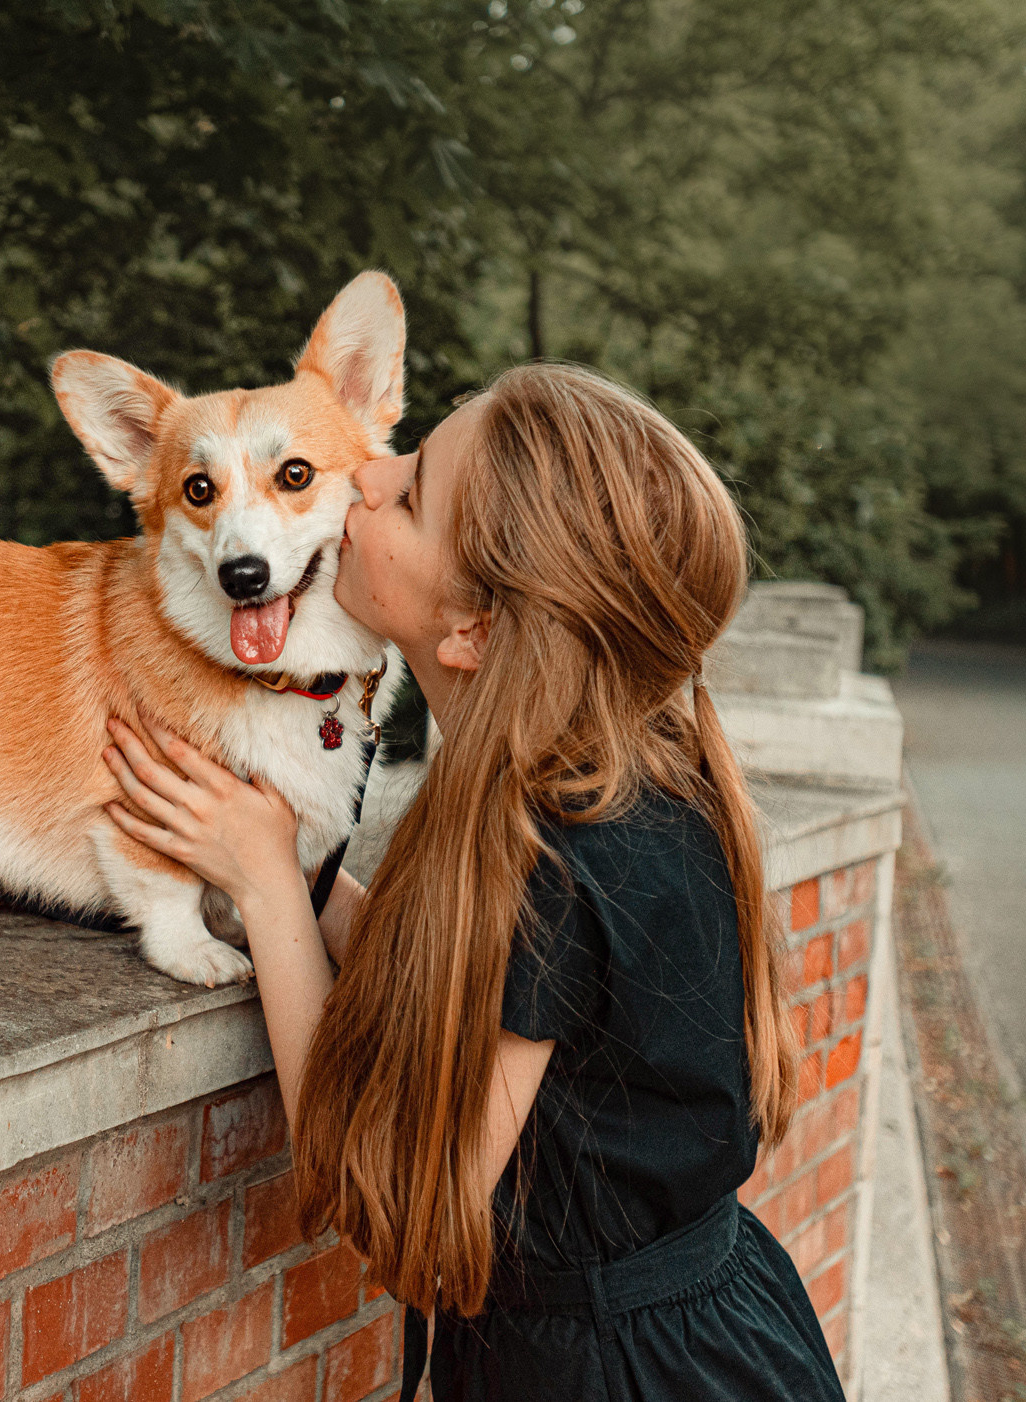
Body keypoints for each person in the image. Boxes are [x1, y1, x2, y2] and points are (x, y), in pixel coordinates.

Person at [100, 362, 845, 1401]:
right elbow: (459, 986)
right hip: (707, 1324)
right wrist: (310, 877)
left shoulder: (555, 849)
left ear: (472, 628)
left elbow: (406, 1212)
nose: (369, 475)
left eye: (407, 492)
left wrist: (268, 888)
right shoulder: (628, 769)